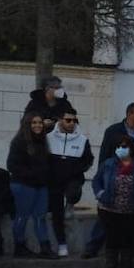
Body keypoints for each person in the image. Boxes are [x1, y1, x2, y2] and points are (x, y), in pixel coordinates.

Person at [84, 103, 134, 259]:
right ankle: (93, 247)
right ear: (129, 114)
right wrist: (102, 184)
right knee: (105, 219)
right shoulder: (113, 131)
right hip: (115, 179)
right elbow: (104, 155)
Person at [92, 135, 134, 268]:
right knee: (112, 237)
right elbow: (96, 180)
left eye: (124, 146)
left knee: (128, 238)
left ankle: (127, 267)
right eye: (118, 147)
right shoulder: (108, 164)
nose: (121, 149)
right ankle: (111, 267)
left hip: (131, 208)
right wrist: (100, 193)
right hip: (109, 207)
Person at [6, 113, 56, 258]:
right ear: (27, 125)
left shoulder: (43, 141)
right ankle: (19, 246)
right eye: (34, 123)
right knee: (22, 216)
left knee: (40, 217)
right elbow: (12, 165)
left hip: (41, 186)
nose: (38, 125)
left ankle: (45, 247)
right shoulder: (19, 142)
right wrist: (34, 174)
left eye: (40, 122)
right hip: (24, 185)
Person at [46, 108, 94, 257]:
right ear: (60, 120)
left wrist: (76, 169)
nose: (71, 123)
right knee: (56, 213)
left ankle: (70, 205)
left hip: (73, 178)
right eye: (68, 120)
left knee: (73, 193)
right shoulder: (48, 138)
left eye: (74, 120)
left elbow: (88, 159)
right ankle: (62, 243)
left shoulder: (82, 140)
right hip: (54, 181)